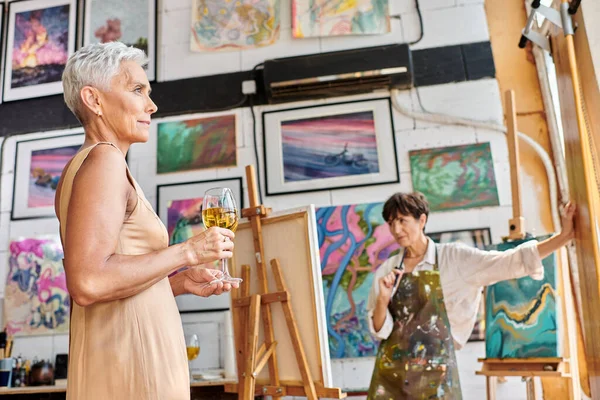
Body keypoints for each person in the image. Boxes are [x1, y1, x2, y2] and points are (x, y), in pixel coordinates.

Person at [55, 42, 238, 400]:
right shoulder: (105, 162)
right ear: (94, 100)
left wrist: (179, 282)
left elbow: (113, 286)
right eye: (137, 90)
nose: (151, 105)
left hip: (120, 358)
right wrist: (187, 251)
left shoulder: (84, 165)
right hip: (133, 366)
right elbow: (89, 282)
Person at [366, 192, 576, 399]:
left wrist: (564, 236)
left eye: (402, 221)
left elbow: (509, 261)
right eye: (391, 223)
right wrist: (383, 301)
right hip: (392, 377)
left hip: (436, 377)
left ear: (422, 220)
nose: (396, 229)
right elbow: (381, 332)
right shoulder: (387, 270)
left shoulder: (455, 258)